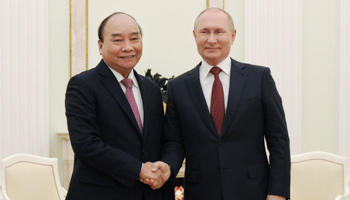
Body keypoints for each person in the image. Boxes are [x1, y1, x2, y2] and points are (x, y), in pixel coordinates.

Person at [159, 8, 291, 200]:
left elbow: (278, 140)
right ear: (195, 36)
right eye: (204, 32)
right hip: (201, 192)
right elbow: (174, 143)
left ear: (233, 35)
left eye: (219, 31)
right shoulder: (178, 87)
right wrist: (167, 166)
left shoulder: (259, 78)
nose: (211, 39)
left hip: (254, 191)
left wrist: (277, 193)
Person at [65, 12, 172, 200]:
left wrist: (164, 166)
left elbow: (158, 142)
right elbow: (86, 144)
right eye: (117, 40)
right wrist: (139, 169)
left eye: (134, 38)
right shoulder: (83, 85)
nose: (128, 47)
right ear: (100, 45)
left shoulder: (152, 90)